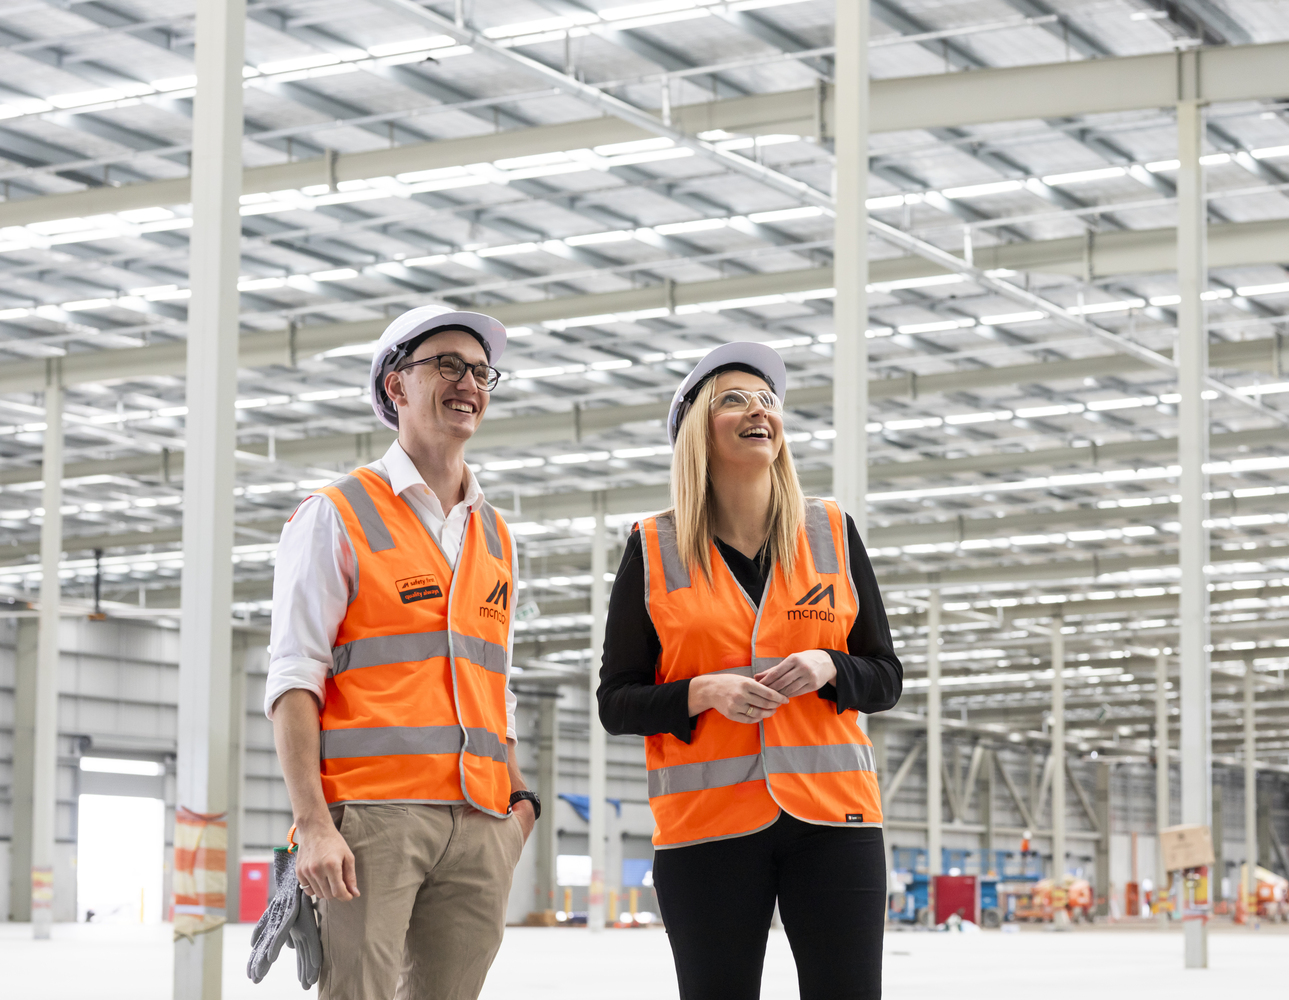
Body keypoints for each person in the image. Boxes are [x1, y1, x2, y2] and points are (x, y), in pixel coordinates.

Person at [598, 342, 903, 1000]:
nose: (758, 410)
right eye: (733, 400)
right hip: (706, 827)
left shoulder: (832, 531)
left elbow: (885, 677)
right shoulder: (652, 547)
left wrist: (831, 665)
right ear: (695, 432)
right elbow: (617, 702)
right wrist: (701, 691)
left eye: (767, 400)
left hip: (835, 824)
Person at [266, 304, 542, 1000]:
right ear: (396, 386)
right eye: (447, 365)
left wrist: (518, 804)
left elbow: (496, 686)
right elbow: (295, 679)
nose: (468, 384)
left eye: (481, 372)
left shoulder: (497, 534)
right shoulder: (337, 513)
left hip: (482, 821)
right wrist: (313, 826)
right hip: (374, 819)